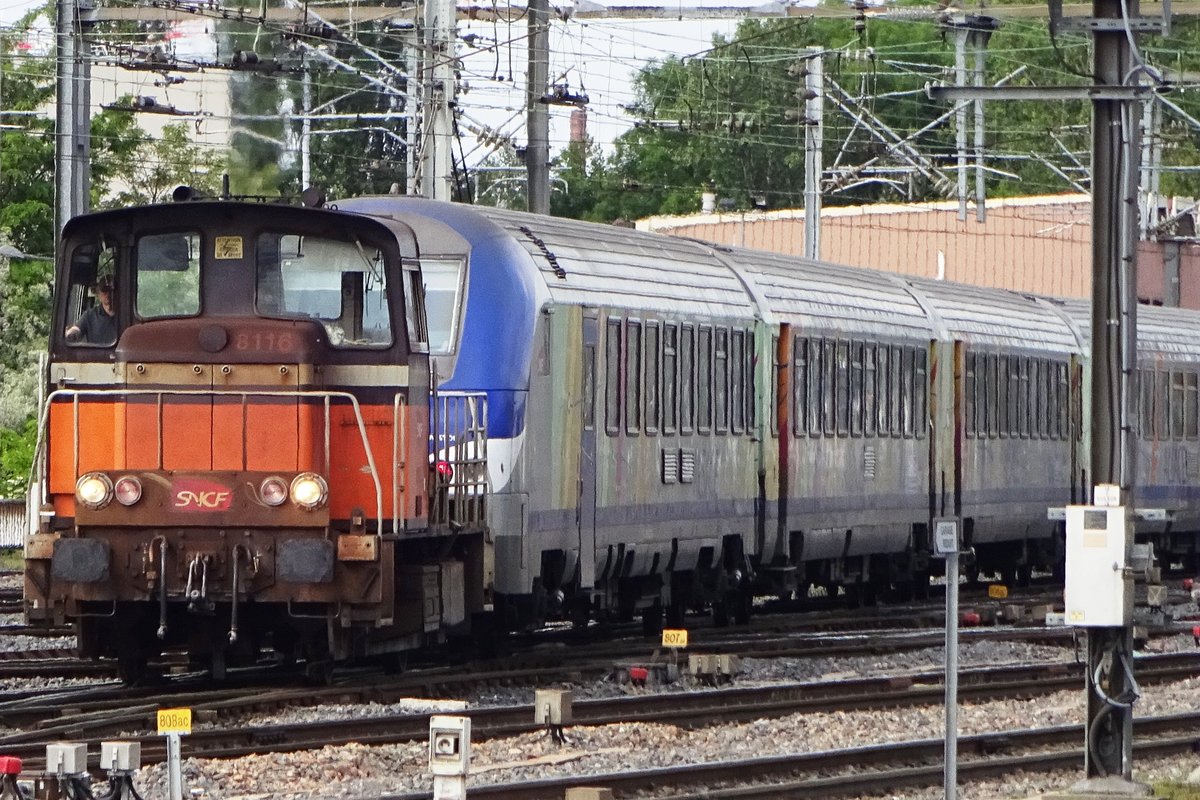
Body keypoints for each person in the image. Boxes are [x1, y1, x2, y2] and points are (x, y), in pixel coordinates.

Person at [65, 277, 117, 344]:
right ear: (99, 293)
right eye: (104, 290)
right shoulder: (90, 315)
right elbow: (77, 329)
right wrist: (71, 334)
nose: (108, 294)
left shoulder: (127, 315)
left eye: (112, 290)